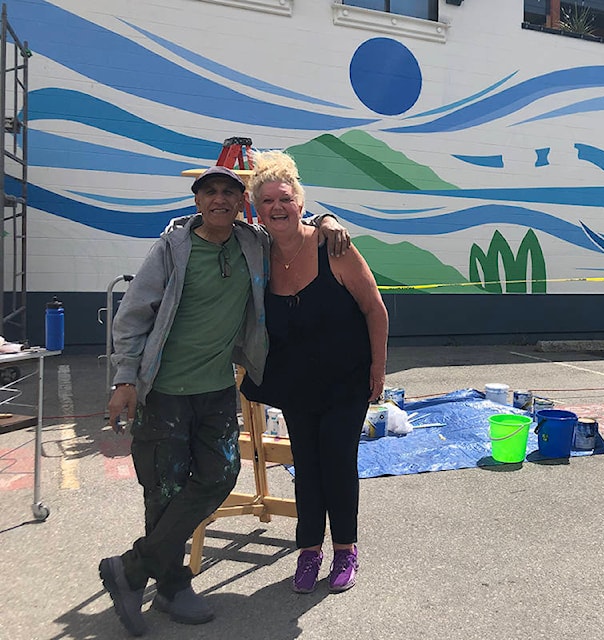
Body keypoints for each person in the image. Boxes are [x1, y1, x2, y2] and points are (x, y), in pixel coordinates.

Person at [100, 165, 351, 637]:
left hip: (216, 389)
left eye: (229, 194)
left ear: (242, 204)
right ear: (197, 201)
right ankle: (172, 585)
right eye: (209, 192)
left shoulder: (251, 242)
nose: (219, 200)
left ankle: (131, 569)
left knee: (220, 475)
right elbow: (133, 315)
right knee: (164, 491)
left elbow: (289, 216)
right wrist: (124, 379)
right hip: (164, 392)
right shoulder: (171, 250)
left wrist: (327, 219)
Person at [240, 150, 388, 595]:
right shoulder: (259, 255)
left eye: (284, 199)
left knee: (338, 464)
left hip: (346, 381)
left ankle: (345, 549)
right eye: (266, 202)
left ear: (300, 203)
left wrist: (378, 371)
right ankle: (309, 551)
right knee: (306, 468)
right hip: (296, 386)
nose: (277, 208)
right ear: (257, 210)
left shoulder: (334, 247)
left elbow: (374, 309)